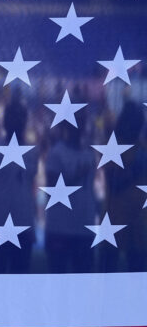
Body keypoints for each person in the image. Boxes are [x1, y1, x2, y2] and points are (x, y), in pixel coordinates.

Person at [0, 98, 38, 273]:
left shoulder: (33, 152)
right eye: (11, 116)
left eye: (19, 117)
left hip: (23, 225)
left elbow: (29, 186)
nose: (15, 120)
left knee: (20, 286)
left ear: (25, 120)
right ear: (5, 121)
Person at [45, 114, 96, 273]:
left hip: (84, 227)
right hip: (60, 228)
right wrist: (76, 175)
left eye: (81, 120)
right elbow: (51, 192)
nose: (78, 125)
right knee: (58, 284)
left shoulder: (89, 154)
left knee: (82, 285)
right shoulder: (56, 153)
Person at [101, 101, 147, 272]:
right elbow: (114, 181)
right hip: (116, 219)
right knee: (110, 274)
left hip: (136, 221)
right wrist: (135, 168)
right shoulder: (113, 147)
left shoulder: (141, 148)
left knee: (137, 275)